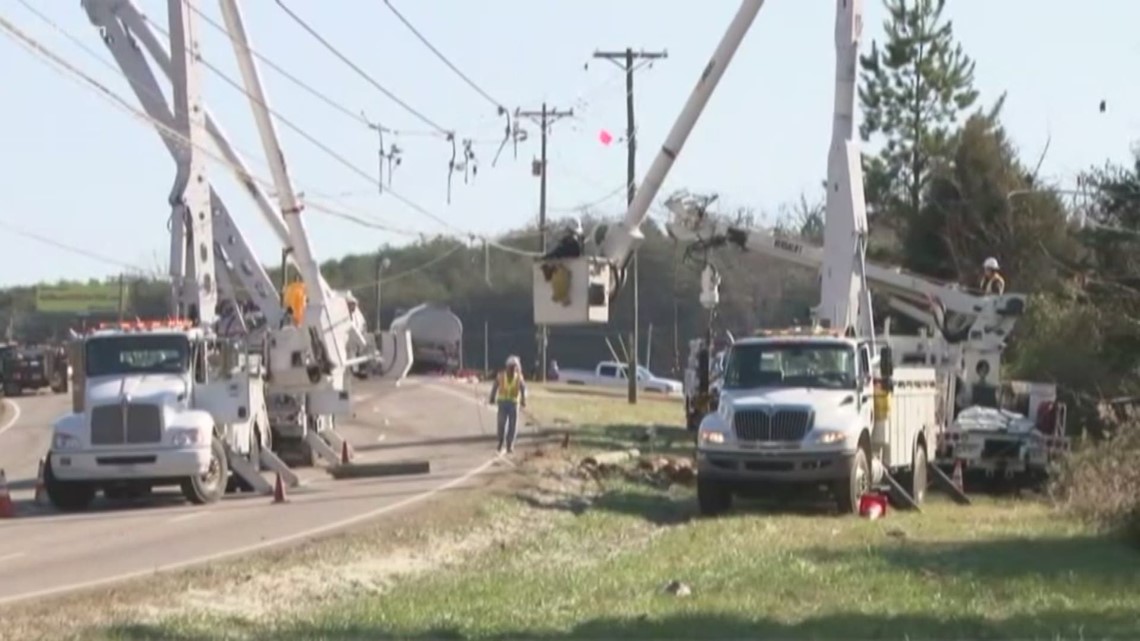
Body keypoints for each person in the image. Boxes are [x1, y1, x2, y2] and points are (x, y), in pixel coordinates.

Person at [488, 355, 527, 454]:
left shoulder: (519, 377)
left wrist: (523, 399)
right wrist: (492, 397)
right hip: (502, 403)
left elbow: (523, 389)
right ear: (507, 367)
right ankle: (501, 441)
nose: (513, 369)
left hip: (514, 403)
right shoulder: (501, 376)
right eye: (511, 366)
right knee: (501, 423)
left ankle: (510, 444)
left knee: (513, 425)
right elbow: (495, 386)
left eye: (515, 367)